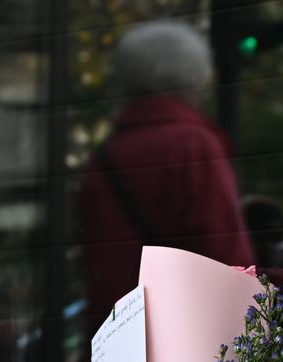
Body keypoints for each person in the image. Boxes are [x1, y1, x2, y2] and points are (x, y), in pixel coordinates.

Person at [78, 20, 255, 323]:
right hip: (185, 341)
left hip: (116, 343)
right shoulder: (193, 146)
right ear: (193, 75)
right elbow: (227, 260)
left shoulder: (103, 157)